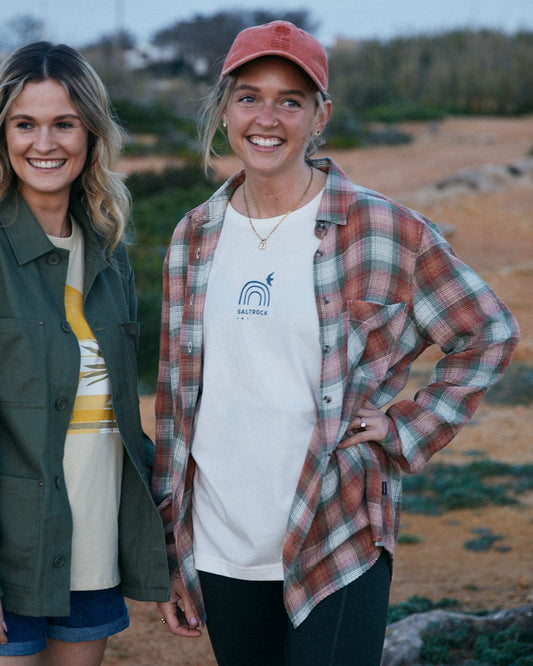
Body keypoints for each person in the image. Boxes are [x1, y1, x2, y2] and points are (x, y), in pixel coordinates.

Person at [152, 20, 520, 665]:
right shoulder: (193, 236)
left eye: (290, 100)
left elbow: (487, 330)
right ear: (225, 109)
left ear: (321, 115)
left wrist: (407, 426)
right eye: (249, 97)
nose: (267, 118)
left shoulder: (383, 227)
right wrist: (169, 544)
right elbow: (177, 402)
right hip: (219, 540)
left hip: (337, 526)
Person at [0, 42, 169, 665]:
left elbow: (127, 415)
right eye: (25, 123)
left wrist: (162, 543)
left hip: (95, 544)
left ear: (91, 133)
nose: (45, 143)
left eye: (63, 123)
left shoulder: (109, 249)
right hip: (11, 548)